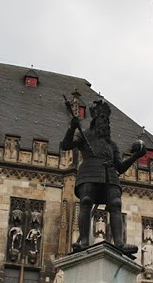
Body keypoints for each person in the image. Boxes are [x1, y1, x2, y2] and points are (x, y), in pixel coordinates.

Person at [60, 99, 144, 255]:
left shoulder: (112, 145)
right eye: (101, 119)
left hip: (110, 175)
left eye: (106, 120)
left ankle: (119, 242)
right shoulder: (84, 136)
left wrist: (136, 156)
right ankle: (84, 241)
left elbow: (120, 167)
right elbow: (65, 145)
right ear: (95, 121)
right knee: (86, 201)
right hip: (89, 172)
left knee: (116, 203)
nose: (104, 123)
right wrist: (72, 127)